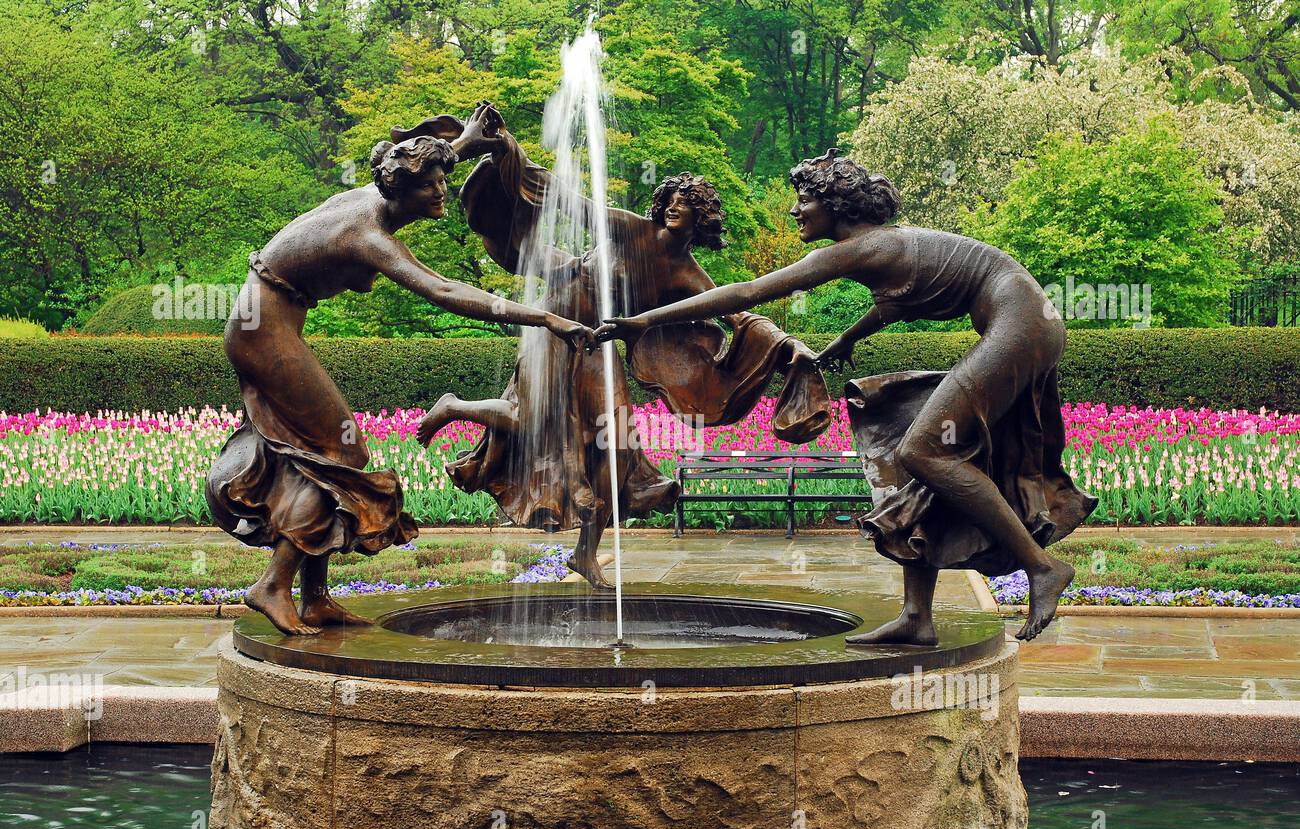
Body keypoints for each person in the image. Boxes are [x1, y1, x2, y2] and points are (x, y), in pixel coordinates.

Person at [597, 148, 1096, 642]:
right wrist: (846, 341)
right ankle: (918, 617)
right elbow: (894, 304)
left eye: (805, 199)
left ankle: (1041, 566)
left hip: (1020, 323)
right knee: (910, 458)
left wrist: (645, 320)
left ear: (836, 204)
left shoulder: (861, 248)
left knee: (923, 449)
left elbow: (748, 292)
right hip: (1024, 321)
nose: (795, 210)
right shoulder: (885, 248)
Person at [206, 105, 594, 636]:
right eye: (432, 185)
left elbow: (419, 167)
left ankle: (314, 596)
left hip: (271, 322)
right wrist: (546, 317)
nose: (441, 192)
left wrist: (470, 143)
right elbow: (446, 291)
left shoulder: (385, 189)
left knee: (329, 454)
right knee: (344, 453)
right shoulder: (366, 233)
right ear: (403, 192)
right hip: (261, 330)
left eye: (442, 180)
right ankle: (273, 585)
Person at [416, 110, 829, 587]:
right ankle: (453, 408)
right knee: (530, 420)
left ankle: (586, 552)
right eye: (672, 199)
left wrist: (789, 346)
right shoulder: (632, 229)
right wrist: (510, 154)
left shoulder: (687, 274)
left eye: (687, 202)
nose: (675, 206)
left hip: (598, 344)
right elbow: (572, 202)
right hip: (557, 324)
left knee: (619, 445)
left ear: (703, 215)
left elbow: (738, 313)